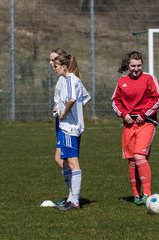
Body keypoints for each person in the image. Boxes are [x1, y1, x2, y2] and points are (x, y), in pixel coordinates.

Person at [111, 51, 159, 206]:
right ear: (128, 65)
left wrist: (144, 113)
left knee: (140, 156)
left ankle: (147, 194)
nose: (136, 69)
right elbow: (115, 101)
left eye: (139, 65)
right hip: (128, 124)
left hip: (146, 122)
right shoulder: (122, 81)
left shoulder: (149, 78)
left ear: (142, 65)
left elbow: (158, 97)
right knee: (132, 160)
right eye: (133, 66)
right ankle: (136, 195)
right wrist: (123, 114)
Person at [48, 48, 90, 206]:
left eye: (54, 61)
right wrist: (58, 107)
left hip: (69, 126)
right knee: (61, 159)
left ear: (63, 64)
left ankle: (74, 199)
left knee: (72, 162)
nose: (52, 64)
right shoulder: (65, 79)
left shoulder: (71, 79)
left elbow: (75, 98)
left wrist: (67, 113)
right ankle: (72, 196)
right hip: (66, 124)